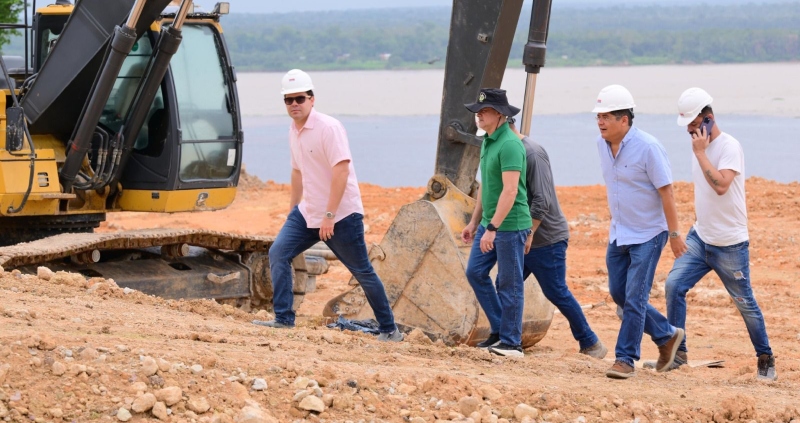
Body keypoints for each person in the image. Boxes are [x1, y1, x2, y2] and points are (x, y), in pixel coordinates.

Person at [252, 69, 403, 342]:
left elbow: (341, 171)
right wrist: (292, 210)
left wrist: (330, 216)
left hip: (341, 215)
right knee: (278, 252)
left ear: (312, 98)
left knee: (361, 271)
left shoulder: (328, 128)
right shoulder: (293, 131)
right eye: (288, 100)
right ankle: (283, 319)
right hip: (308, 212)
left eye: (299, 98)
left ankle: (389, 330)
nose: (294, 104)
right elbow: (297, 173)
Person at [664, 87, 776, 380]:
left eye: (693, 123)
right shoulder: (697, 146)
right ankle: (678, 355)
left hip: (730, 245)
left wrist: (701, 154)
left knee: (746, 305)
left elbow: (721, 185)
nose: (689, 129)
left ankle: (765, 357)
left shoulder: (729, 147)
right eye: (686, 124)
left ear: (708, 118)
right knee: (674, 286)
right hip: (701, 238)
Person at [592, 84, 688, 379]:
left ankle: (625, 359)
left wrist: (674, 234)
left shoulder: (648, 147)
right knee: (619, 293)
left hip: (649, 233)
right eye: (598, 116)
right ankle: (667, 336)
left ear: (625, 119)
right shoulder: (602, 146)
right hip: (619, 232)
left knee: (635, 297)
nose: (600, 122)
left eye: (606, 116)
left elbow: (667, 192)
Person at [506, 118, 607, 359]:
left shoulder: (532, 153)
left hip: (546, 238)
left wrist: (528, 234)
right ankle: (507, 338)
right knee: (507, 284)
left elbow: (542, 200)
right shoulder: (509, 151)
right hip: (524, 236)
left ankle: (591, 342)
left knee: (556, 291)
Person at [461, 88, 532, 358]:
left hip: (510, 225)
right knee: (475, 272)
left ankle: (512, 342)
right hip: (489, 223)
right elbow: (487, 188)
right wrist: (475, 222)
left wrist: (493, 228)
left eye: (485, 110)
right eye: (478, 110)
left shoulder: (511, 145)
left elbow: (510, 191)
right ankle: (500, 329)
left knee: (510, 283)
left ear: (500, 114)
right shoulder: (489, 141)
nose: (479, 114)